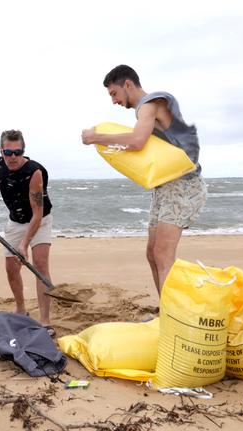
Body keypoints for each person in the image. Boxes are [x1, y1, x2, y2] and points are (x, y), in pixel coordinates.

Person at [81, 65, 207, 296]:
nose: (114, 101)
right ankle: (165, 311)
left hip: (183, 184)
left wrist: (95, 137)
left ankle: (172, 319)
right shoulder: (145, 109)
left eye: (114, 93)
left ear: (127, 84)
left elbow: (137, 141)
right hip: (165, 187)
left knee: (162, 254)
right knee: (152, 253)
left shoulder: (150, 104)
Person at [0, 130, 54, 335]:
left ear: (23, 151)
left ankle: (45, 321)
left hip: (40, 220)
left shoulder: (34, 172)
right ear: (1, 151)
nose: (12, 157)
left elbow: (37, 213)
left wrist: (24, 244)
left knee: (40, 265)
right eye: (8, 152)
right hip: (16, 220)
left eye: (17, 152)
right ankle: (21, 310)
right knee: (11, 267)